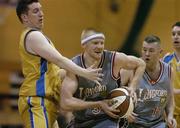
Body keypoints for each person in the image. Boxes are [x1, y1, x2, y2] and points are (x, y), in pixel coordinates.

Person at [16, 0, 103, 128]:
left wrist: (80, 74)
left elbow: (56, 72)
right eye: (35, 11)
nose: (41, 14)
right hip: (36, 101)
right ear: (25, 17)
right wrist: (84, 72)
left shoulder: (41, 38)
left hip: (48, 103)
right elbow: (60, 60)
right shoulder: (33, 36)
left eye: (41, 9)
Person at [60, 28, 146, 128]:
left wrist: (132, 87)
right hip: (82, 120)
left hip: (108, 118)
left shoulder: (115, 59)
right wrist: (99, 104)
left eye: (102, 43)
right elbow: (65, 103)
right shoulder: (74, 66)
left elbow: (141, 64)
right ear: (84, 45)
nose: (100, 46)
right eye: (95, 43)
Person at [125, 35, 176, 128]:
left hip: (157, 124)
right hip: (134, 123)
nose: (147, 54)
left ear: (160, 52)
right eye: (144, 50)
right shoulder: (132, 68)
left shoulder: (169, 71)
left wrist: (170, 116)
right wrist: (124, 112)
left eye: (151, 51)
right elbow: (115, 94)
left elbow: (170, 100)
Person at [163, 21, 180, 128]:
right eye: (173, 34)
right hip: (171, 113)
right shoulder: (166, 59)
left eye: (179, 34)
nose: (176, 37)